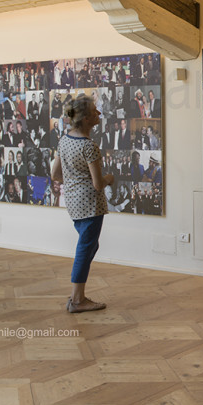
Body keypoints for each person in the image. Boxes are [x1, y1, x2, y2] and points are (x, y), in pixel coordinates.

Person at [50, 95, 114, 314]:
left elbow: (55, 174)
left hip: (74, 203)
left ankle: (77, 297)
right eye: (95, 111)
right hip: (90, 205)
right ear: (86, 119)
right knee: (85, 250)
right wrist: (109, 178)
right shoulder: (89, 146)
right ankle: (77, 300)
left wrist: (74, 182)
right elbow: (98, 184)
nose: (98, 114)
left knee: (89, 246)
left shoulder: (65, 139)